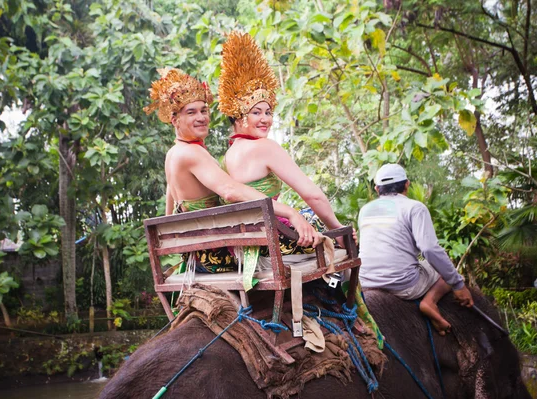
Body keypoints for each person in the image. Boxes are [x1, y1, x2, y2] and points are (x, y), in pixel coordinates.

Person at [143, 68, 319, 273]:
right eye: (191, 112)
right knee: (312, 222)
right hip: (216, 255)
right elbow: (230, 191)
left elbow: (169, 211)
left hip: (200, 254)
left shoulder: (174, 153)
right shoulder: (191, 153)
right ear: (175, 120)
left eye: (203, 110)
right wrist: (290, 212)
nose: (201, 117)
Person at [218, 31, 352, 255]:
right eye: (256, 112)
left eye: (268, 112)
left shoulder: (229, 155)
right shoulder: (265, 147)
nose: (266, 119)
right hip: (269, 244)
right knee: (324, 225)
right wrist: (337, 229)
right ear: (240, 116)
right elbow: (313, 195)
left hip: (240, 246)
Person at [357, 163, 474, 334]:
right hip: (403, 285)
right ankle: (430, 302)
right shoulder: (415, 207)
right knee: (444, 270)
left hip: (366, 281)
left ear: (377, 188)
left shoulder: (365, 210)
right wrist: (458, 284)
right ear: (406, 184)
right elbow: (429, 249)